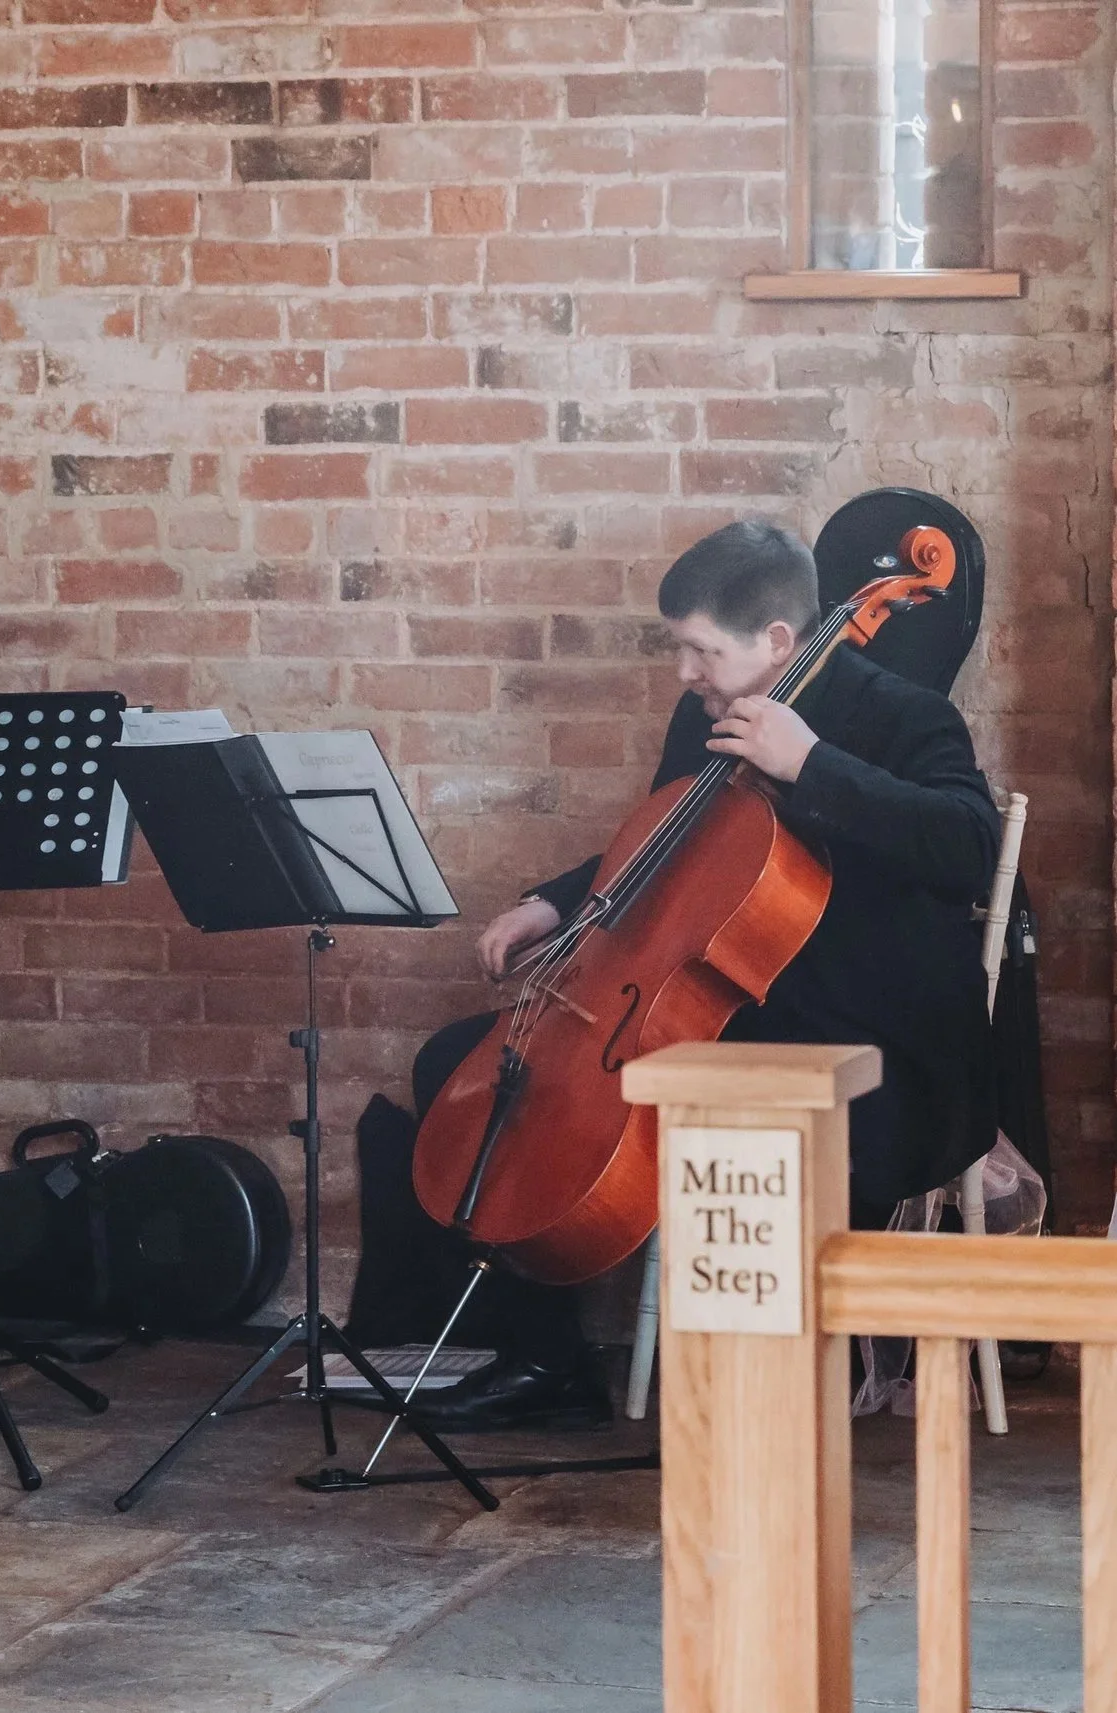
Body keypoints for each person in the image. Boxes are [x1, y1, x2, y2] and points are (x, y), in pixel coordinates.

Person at [401, 519, 1002, 1431]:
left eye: (696, 650)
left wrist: (808, 762)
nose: (682, 672)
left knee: (747, 1112)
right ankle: (541, 1355)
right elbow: (663, 840)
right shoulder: (704, 716)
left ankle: (775, 1389)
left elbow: (967, 844)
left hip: (871, 1033)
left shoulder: (903, 714)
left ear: (773, 642)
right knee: (472, 1072)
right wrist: (555, 903)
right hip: (724, 1005)